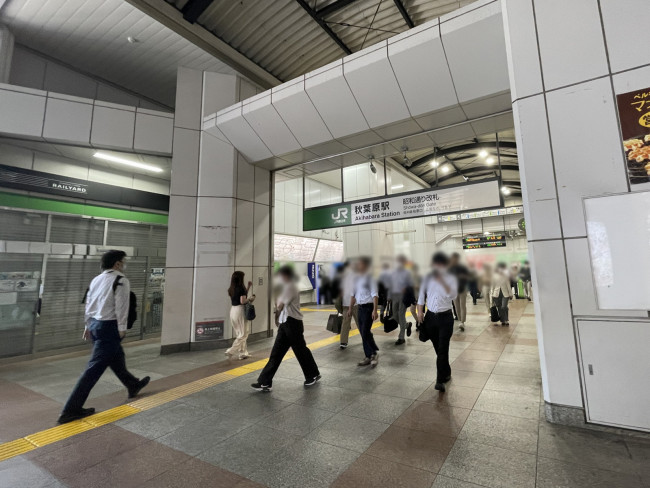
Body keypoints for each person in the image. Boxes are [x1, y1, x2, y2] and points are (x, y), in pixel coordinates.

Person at [57, 250, 150, 424]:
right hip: (110, 326)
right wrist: (122, 329)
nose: (124, 264)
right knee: (94, 368)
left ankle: (132, 384)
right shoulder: (121, 280)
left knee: (116, 357)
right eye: (123, 261)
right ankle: (70, 409)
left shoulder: (96, 280)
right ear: (117, 264)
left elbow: (89, 305)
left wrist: (88, 326)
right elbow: (122, 307)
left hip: (95, 325)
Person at [252, 265, 320, 392]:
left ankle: (312, 375)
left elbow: (279, 305)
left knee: (300, 351)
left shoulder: (290, 287)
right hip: (286, 323)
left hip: (292, 323)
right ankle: (265, 381)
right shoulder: (286, 287)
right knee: (276, 353)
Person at [417, 252, 457, 393]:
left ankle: (440, 380)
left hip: (445, 318)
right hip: (431, 318)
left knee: (442, 349)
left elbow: (453, 295)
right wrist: (420, 312)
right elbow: (421, 294)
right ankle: (446, 371)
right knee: (438, 348)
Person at [349, 256, 379, 367]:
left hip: (368, 308)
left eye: (360, 264)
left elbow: (375, 295)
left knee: (365, 332)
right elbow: (353, 295)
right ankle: (369, 356)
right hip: (360, 308)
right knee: (363, 332)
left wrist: (375, 311)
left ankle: (374, 352)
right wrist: (350, 308)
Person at [226, 271, 254, 360]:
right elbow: (243, 301)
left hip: (233, 310)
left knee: (239, 333)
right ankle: (231, 350)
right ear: (240, 278)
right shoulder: (241, 288)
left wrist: (248, 287)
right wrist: (250, 299)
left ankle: (243, 353)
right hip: (240, 310)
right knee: (244, 334)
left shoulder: (232, 288)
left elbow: (241, 296)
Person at [391, 255, 413, 345]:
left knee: (401, 314)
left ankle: (401, 337)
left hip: (403, 297)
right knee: (395, 315)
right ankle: (407, 325)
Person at [339, 261, 359, 350]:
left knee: (345, 323)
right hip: (354, 303)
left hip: (345, 303)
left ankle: (343, 342)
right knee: (360, 322)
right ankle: (366, 337)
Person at [449, 252, 469, 331]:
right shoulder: (449, 269)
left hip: (462, 288)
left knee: (462, 305)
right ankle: (460, 320)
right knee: (457, 306)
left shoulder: (462, 267)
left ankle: (462, 322)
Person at [408, 264, 422, 330]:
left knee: (420, 311)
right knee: (412, 310)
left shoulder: (420, 277)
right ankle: (418, 321)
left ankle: (421, 324)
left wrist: (416, 287)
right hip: (413, 296)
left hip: (419, 296)